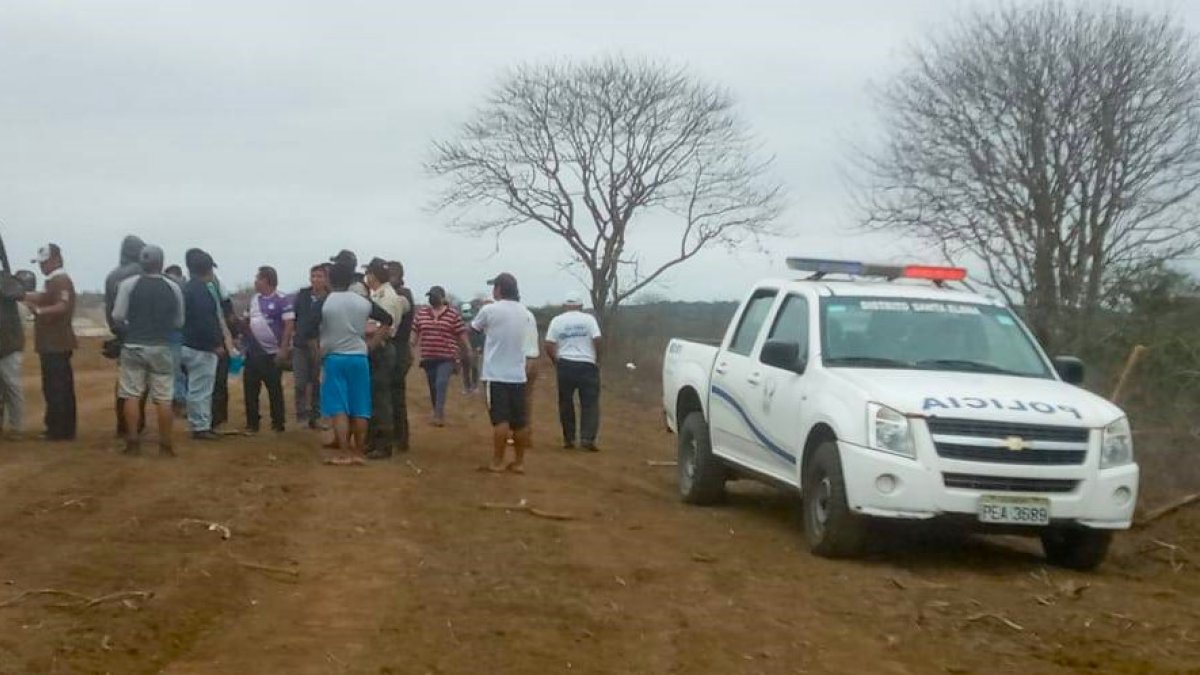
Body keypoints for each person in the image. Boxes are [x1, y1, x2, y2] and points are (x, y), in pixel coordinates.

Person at [307, 262, 393, 464]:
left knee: (339, 407)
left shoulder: (324, 302)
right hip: (359, 357)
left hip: (335, 357)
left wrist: (317, 352)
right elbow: (387, 320)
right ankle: (359, 450)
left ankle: (344, 451)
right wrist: (371, 344)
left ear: (330, 279)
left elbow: (308, 330)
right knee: (360, 405)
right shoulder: (362, 301)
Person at [111, 245, 185, 456]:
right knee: (163, 397)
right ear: (161, 263)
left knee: (131, 394)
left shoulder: (128, 285)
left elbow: (118, 315)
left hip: (134, 344)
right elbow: (179, 321)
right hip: (161, 345)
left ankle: (133, 442)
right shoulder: (174, 287)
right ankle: (165, 445)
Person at [470, 273, 531, 474]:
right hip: (518, 374)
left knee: (500, 420)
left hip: (496, 373)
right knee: (519, 422)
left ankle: (497, 461)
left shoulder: (489, 310)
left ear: (499, 289)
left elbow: (474, 329)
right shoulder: (525, 312)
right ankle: (520, 462)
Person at [24, 244, 77, 441]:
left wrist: (39, 311)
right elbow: (44, 297)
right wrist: (22, 295)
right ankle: (61, 428)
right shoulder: (53, 281)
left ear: (55, 259)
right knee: (58, 386)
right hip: (53, 343)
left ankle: (58, 429)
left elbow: (61, 306)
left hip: (56, 342)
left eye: (44, 262)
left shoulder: (60, 280)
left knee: (56, 387)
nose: (41, 267)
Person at [362, 258, 407, 459]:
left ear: (374, 275)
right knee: (373, 396)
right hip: (376, 347)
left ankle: (383, 443)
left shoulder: (387, 296)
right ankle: (372, 441)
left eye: (368, 273)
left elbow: (385, 327)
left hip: (380, 348)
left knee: (381, 398)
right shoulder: (378, 295)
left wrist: (368, 341)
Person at [545, 295, 603, 451]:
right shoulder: (589, 319)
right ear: (581, 305)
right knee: (590, 403)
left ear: (565, 305)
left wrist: (556, 361)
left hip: (565, 363)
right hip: (587, 363)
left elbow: (549, 344)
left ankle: (569, 439)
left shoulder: (557, 320)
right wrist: (596, 358)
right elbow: (597, 339)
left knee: (566, 402)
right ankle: (587, 438)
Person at [241, 266, 294, 434]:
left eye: (258, 278)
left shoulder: (282, 299)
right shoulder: (254, 299)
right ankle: (252, 423)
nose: (255, 281)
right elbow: (247, 320)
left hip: (272, 354)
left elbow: (289, 325)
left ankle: (278, 423)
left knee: (274, 389)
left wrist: (284, 349)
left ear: (267, 280)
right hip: (253, 352)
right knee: (250, 389)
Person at [104, 235, 147, 436]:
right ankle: (137, 424)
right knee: (141, 384)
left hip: (121, 333)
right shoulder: (142, 272)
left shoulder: (112, 276)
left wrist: (116, 330)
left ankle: (122, 424)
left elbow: (109, 310)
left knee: (124, 382)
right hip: (143, 334)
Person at [180, 249, 224, 441]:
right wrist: (215, 343)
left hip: (187, 343)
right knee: (201, 389)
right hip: (201, 347)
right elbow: (205, 321)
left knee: (195, 387)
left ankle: (199, 423)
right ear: (208, 270)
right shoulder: (202, 291)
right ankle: (200, 426)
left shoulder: (187, 288)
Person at [412, 286, 471, 427]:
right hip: (428, 356)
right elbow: (415, 330)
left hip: (447, 356)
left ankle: (438, 415)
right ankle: (437, 410)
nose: (432, 298)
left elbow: (461, 334)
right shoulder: (422, 314)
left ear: (443, 298)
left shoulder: (453, 315)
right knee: (433, 385)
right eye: (430, 296)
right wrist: (411, 344)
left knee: (441, 382)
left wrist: (467, 349)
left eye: (435, 296)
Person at [292, 264, 329, 430]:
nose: (316, 279)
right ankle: (301, 415)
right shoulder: (303, 295)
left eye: (320, 276)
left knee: (316, 382)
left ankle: (316, 416)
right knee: (300, 382)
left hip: (319, 344)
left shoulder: (330, 298)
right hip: (300, 344)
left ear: (326, 279)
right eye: (313, 276)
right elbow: (295, 317)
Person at [386, 261, 415, 451]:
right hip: (399, 348)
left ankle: (400, 438)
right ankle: (398, 437)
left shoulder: (401, 295)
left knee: (395, 395)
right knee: (393, 395)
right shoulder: (401, 293)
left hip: (398, 348)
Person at [0, 270, 24, 441]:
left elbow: (18, 293)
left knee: (11, 385)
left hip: (8, 344)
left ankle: (17, 426)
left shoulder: (7, 280)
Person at [163, 265, 187, 417]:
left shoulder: (171, 290)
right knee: (178, 371)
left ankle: (179, 400)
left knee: (175, 371)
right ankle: (179, 401)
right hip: (177, 335)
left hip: (175, 335)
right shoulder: (184, 288)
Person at [460, 302, 483, 394]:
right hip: (463, 349)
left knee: (474, 368)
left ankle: (475, 386)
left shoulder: (475, 321)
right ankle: (467, 387)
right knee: (465, 368)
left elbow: (480, 335)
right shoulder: (459, 322)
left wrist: (479, 346)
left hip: (474, 348)